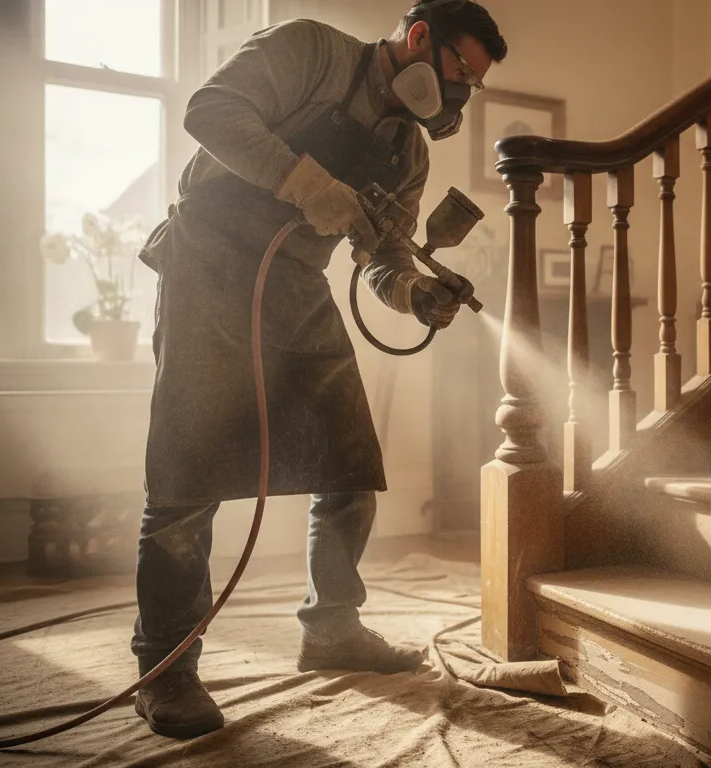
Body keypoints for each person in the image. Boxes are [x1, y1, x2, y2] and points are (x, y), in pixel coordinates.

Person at [129, 0, 506, 739]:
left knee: (348, 461)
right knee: (187, 474)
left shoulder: (408, 150)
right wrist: (305, 181)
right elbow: (211, 110)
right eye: (460, 68)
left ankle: (331, 628)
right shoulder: (311, 50)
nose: (459, 91)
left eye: (474, 83)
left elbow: (383, 255)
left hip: (297, 283)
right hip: (207, 262)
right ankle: (164, 670)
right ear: (419, 36)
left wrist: (414, 291)